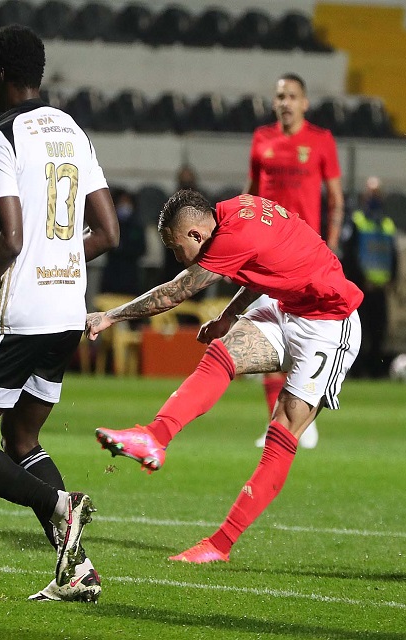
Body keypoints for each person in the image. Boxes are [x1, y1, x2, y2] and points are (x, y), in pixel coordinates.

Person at [0, 25, 119, 602]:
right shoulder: (74, 130)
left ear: (2, 73)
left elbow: (8, 240)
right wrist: (59, 255)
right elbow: (107, 232)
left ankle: (60, 503)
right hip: (67, 310)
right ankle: (76, 570)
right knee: (21, 436)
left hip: (20, 313)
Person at [88, 190, 362, 563]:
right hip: (285, 306)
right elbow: (263, 266)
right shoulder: (233, 211)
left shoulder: (231, 235)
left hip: (329, 323)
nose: (174, 256)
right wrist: (229, 317)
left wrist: (110, 317)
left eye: (174, 246)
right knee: (223, 352)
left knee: (283, 430)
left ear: (196, 236)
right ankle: (154, 436)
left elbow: (175, 293)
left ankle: (220, 545)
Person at [247, 73, 345, 449]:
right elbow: (252, 194)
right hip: (267, 256)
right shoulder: (262, 139)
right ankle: (277, 424)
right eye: (279, 96)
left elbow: (335, 197)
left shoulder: (321, 141)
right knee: (267, 337)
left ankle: (305, 420)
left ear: (305, 102)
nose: (285, 102)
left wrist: (332, 244)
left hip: (307, 257)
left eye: (291, 96)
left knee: (308, 338)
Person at [340, 177, 398, 378]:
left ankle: (374, 372)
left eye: (377, 193)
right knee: (359, 332)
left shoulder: (387, 224)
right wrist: (358, 280)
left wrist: (393, 279)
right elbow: (349, 255)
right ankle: (355, 372)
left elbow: (393, 254)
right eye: (371, 193)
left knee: (378, 332)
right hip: (361, 289)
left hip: (380, 289)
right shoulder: (357, 222)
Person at [100, 190, 147, 295]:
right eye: (122, 202)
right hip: (112, 272)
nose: (124, 205)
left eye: (127, 202)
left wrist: (124, 249)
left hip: (130, 274)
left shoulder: (137, 226)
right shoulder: (112, 225)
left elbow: (142, 248)